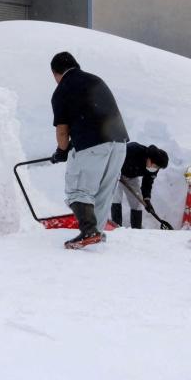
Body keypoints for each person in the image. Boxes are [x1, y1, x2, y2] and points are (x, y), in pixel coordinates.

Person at [49, 51, 130, 249]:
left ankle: (89, 231)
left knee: (78, 190)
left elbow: (62, 130)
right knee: (104, 190)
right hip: (119, 143)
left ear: (55, 73)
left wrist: (61, 151)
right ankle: (96, 233)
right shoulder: (96, 80)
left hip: (92, 144)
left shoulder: (63, 89)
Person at [113, 143, 170, 229]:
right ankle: (116, 226)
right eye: (155, 166)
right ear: (150, 159)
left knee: (137, 203)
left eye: (157, 168)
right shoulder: (133, 149)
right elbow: (114, 156)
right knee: (116, 198)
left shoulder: (154, 168)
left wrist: (147, 199)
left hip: (131, 177)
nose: (155, 168)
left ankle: (136, 230)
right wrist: (115, 171)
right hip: (115, 173)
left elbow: (147, 183)